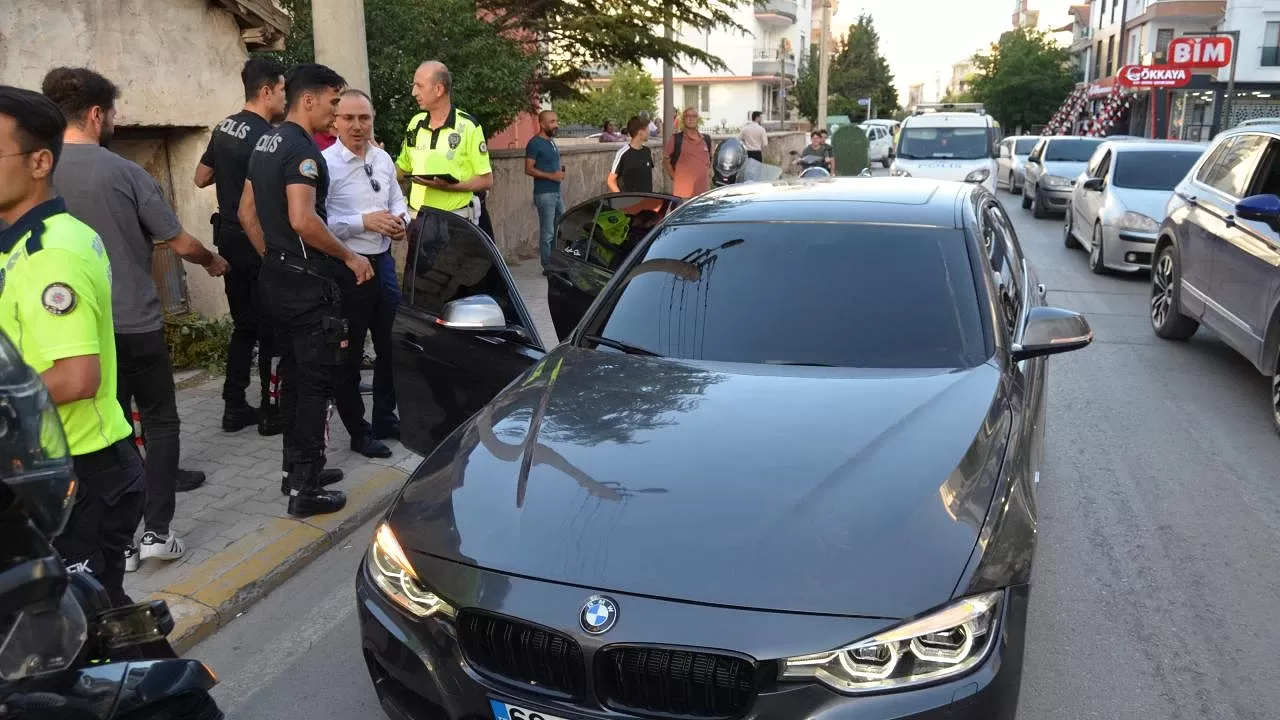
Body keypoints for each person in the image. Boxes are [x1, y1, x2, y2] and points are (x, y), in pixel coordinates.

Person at [42, 67, 228, 570]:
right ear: (96, 114)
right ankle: (157, 533)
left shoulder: (37, 174)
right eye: (113, 114)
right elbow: (178, 242)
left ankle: (119, 542)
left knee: (111, 429)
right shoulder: (125, 173)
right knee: (161, 422)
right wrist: (212, 260)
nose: (116, 122)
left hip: (72, 338)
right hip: (135, 324)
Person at [0, 86, 144, 605]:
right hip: (43, 465)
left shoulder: (52, 253)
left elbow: (78, 376)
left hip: (81, 473)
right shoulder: (20, 243)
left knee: (85, 623)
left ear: (40, 162)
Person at [239, 63, 370, 517]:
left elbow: (246, 213)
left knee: (293, 377)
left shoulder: (266, 142)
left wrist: (274, 259)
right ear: (309, 100)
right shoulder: (302, 151)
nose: (336, 112)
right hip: (307, 287)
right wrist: (350, 257)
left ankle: (293, 472)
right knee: (315, 385)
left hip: (276, 280)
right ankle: (307, 491)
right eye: (334, 103)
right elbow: (303, 219)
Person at [194, 57, 287, 437]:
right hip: (257, 239)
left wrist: (229, 174)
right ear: (266, 91)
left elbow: (201, 177)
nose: (284, 98)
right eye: (282, 90)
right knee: (271, 329)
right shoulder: (267, 137)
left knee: (244, 327)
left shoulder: (224, 127)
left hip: (229, 241)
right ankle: (271, 411)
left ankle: (233, 407)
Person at [322, 89, 405, 460]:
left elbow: (398, 201)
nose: (357, 126)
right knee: (350, 355)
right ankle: (359, 431)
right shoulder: (325, 164)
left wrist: (400, 221)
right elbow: (318, 223)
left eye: (364, 118)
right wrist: (363, 222)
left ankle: (385, 418)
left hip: (383, 264)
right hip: (348, 268)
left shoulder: (382, 158)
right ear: (335, 122)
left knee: (391, 347)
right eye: (349, 118)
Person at [396, 61, 493, 224]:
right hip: (418, 222)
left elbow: (486, 181)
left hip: (456, 223)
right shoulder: (415, 123)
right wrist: (378, 159)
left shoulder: (468, 126)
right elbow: (403, 170)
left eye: (419, 86)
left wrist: (449, 187)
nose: (414, 92)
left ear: (439, 89)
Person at [524, 109, 564, 269]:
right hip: (544, 194)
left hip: (557, 192)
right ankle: (547, 266)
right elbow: (528, 169)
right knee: (548, 232)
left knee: (561, 227)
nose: (556, 125)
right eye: (552, 122)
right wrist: (551, 176)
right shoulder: (535, 143)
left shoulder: (551, 142)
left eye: (556, 121)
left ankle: (556, 261)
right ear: (542, 123)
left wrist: (558, 175)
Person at [663, 106, 712, 199]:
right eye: (688, 116)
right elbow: (666, 161)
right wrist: (674, 177)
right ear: (683, 119)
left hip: (704, 194)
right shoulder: (676, 139)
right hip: (683, 195)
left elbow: (709, 160)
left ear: (698, 119)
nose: (691, 118)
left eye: (694, 116)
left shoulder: (706, 139)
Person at [608, 115, 655, 193]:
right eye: (647, 129)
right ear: (640, 133)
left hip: (647, 199)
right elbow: (611, 181)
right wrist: (622, 198)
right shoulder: (623, 153)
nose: (649, 132)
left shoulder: (647, 151)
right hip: (629, 200)